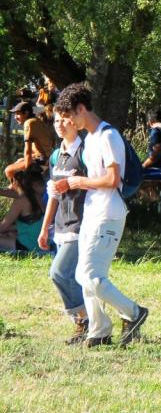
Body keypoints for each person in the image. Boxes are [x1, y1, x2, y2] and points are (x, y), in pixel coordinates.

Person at [53, 83, 149, 348]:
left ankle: (133, 312)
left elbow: (112, 179)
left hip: (109, 215)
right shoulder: (90, 139)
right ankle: (99, 330)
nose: (68, 121)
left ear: (81, 108)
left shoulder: (108, 136)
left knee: (88, 276)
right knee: (88, 277)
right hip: (92, 214)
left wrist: (79, 182)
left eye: (70, 115)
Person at [37, 112, 89, 343]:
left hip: (82, 224)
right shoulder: (57, 155)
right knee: (76, 277)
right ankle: (89, 322)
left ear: (75, 122)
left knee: (58, 273)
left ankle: (85, 319)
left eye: (64, 119)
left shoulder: (86, 152)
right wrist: (44, 227)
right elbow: (54, 196)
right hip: (60, 226)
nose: (59, 124)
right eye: (56, 120)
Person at [4, 100, 56, 184]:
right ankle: (20, 188)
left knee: (8, 171)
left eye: (18, 114)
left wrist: (27, 170)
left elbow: (27, 150)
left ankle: (22, 192)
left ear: (26, 113)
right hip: (45, 157)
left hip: (42, 160)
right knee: (19, 161)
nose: (15, 117)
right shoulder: (36, 120)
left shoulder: (29, 123)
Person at [0, 166, 46, 253]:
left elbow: (3, 227)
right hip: (41, 245)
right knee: (9, 233)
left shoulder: (22, 201)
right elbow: (32, 226)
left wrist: (5, 229)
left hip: (28, 246)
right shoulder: (40, 198)